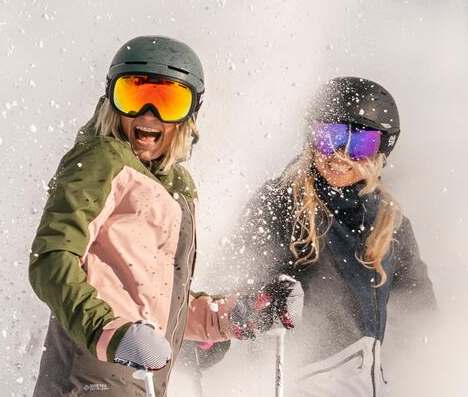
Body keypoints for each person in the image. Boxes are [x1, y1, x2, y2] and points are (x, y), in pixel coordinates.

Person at [28, 35, 303, 397]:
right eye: (133, 95)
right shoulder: (102, 160)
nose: (148, 114)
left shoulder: (176, 188)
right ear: (111, 98)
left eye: (168, 101)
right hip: (90, 382)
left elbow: (158, 303)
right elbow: (51, 261)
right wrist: (112, 334)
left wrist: (237, 314)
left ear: (191, 112)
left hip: (137, 385)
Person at [210, 76, 436, 396]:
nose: (340, 154)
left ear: (381, 150)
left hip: (365, 386)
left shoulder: (390, 223)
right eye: (330, 137)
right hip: (290, 380)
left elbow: (420, 315)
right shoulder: (280, 203)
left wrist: (426, 374)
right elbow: (228, 288)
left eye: (360, 144)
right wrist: (218, 334)